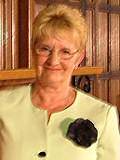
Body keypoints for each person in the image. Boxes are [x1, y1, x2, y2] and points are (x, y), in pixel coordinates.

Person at [0, 4, 120, 160]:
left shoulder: (103, 115)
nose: (54, 61)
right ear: (33, 51)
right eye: (45, 49)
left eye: (65, 52)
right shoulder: (3, 105)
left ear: (79, 58)